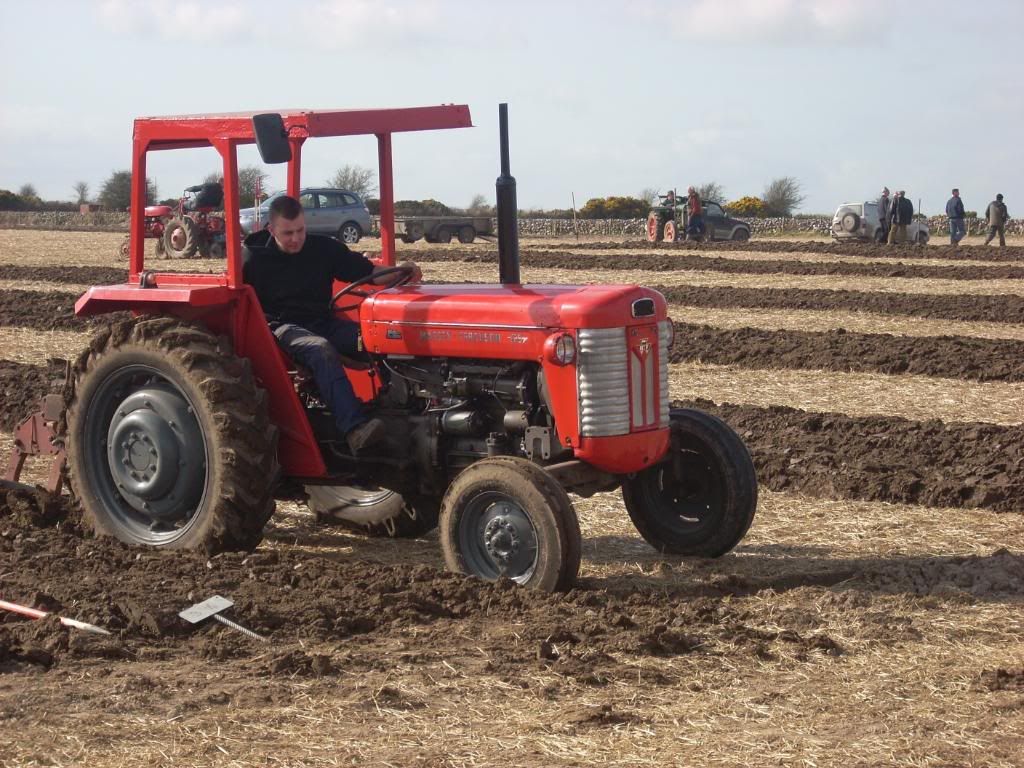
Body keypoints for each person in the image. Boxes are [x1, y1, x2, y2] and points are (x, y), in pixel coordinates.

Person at [242, 194, 422, 455]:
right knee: (320, 349)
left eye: (300, 230)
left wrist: (401, 271)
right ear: (271, 229)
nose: (296, 239)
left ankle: (399, 414)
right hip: (281, 329)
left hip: (323, 321)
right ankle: (355, 429)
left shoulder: (323, 249)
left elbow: (367, 272)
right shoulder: (253, 258)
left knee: (379, 338)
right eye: (288, 233)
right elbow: (238, 297)